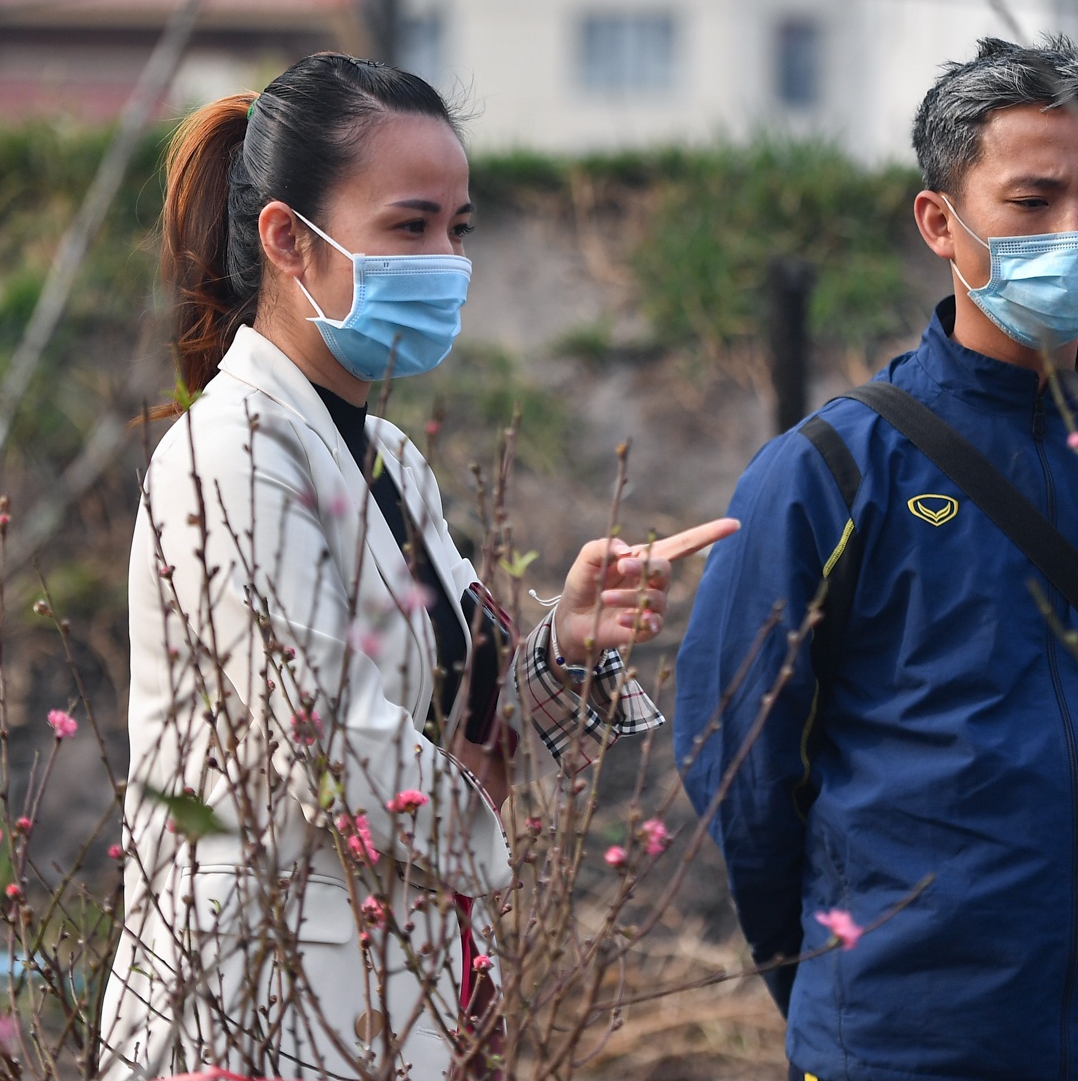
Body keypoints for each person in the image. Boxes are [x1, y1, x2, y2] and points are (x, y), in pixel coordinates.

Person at [99, 53, 733, 1080]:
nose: (446, 260)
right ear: (288, 240)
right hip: (262, 1010)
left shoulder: (388, 460)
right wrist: (488, 830)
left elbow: (449, 719)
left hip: (392, 997)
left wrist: (565, 644)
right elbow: (331, 740)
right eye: (410, 226)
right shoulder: (232, 453)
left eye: (458, 228)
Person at [674, 35, 1078, 1081]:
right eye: (1033, 200)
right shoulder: (832, 469)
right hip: (910, 1037)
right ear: (940, 221)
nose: (1076, 231)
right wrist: (839, 978)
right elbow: (743, 767)